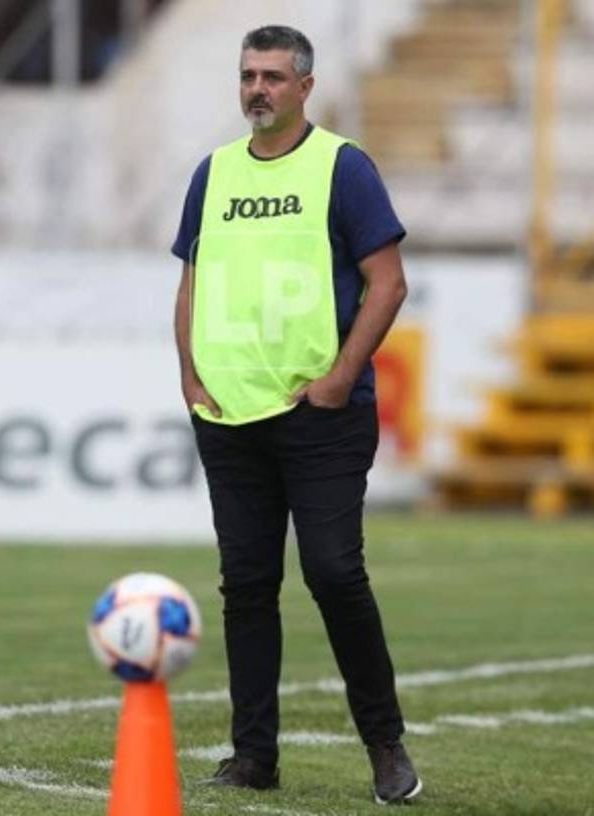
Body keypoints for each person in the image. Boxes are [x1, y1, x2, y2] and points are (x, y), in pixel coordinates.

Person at [171, 25, 422, 805]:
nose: (258, 89)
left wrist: (342, 375)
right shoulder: (212, 175)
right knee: (246, 585)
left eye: (274, 76)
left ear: (305, 87)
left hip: (320, 414)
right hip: (228, 415)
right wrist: (189, 375)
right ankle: (254, 759)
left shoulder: (342, 169)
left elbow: (388, 282)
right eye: (248, 74)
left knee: (333, 572)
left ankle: (386, 746)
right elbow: (191, 284)